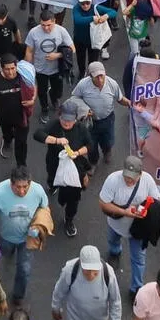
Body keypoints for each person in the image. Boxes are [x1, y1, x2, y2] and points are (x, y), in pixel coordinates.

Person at [99, 156, 160, 299]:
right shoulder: (113, 180)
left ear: (140, 174)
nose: (129, 180)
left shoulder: (148, 181)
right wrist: (124, 212)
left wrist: (144, 210)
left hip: (138, 230)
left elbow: (157, 202)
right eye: (126, 176)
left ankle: (136, 288)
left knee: (139, 260)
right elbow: (103, 204)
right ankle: (115, 252)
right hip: (116, 224)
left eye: (133, 178)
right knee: (113, 240)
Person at [0, 166, 48, 306]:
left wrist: (39, 226)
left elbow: (44, 208)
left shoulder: (38, 191)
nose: (21, 191)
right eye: (17, 187)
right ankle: (9, 255)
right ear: (11, 183)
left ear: (30, 183)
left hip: (27, 240)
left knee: (24, 269)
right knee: (6, 253)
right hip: (5, 237)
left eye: (25, 187)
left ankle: (18, 295)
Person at [33, 100, 93, 237]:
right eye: (64, 119)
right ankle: (52, 185)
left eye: (70, 120)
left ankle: (69, 219)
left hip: (75, 168)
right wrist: (56, 140)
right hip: (55, 164)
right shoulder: (54, 126)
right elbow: (37, 134)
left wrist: (77, 153)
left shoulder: (81, 128)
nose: (66, 123)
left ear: (76, 119)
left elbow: (90, 145)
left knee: (73, 198)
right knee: (52, 180)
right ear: (59, 116)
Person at [73, 62, 130, 166]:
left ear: (105, 73)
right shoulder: (83, 85)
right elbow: (75, 98)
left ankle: (107, 152)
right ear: (90, 76)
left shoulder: (112, 84)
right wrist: (84, 109)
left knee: (108, 141)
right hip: (90, 122)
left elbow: (120, 99)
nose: (100, 80)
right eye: (96, 77)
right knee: (91, 145)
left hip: (107, 120)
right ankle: (93, 163)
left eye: (101, 76)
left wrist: (131, 104)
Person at [25, 10, 74, 124]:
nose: (46, 28)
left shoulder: (61, 31)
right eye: (43, 25)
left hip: (57, 69)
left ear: (54, 21)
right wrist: (28, 69)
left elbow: (72, 49)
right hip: (40, 69)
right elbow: (29, 51)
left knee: (58, 91)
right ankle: (44, 109)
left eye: (49, 25)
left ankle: (54, 96)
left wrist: (58, 55)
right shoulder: (33, 33)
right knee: (41, 92)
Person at [0, 56, 34, 166]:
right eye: (7, 69)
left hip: (22, 116)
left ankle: (21, 165)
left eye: (13, 68)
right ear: (1, 68)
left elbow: (33, 85)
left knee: (21, 142)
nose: (11, 72)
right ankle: (7, 140)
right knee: (7, 133)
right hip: (4, 116)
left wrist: (32, 100)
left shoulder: (23, 76)